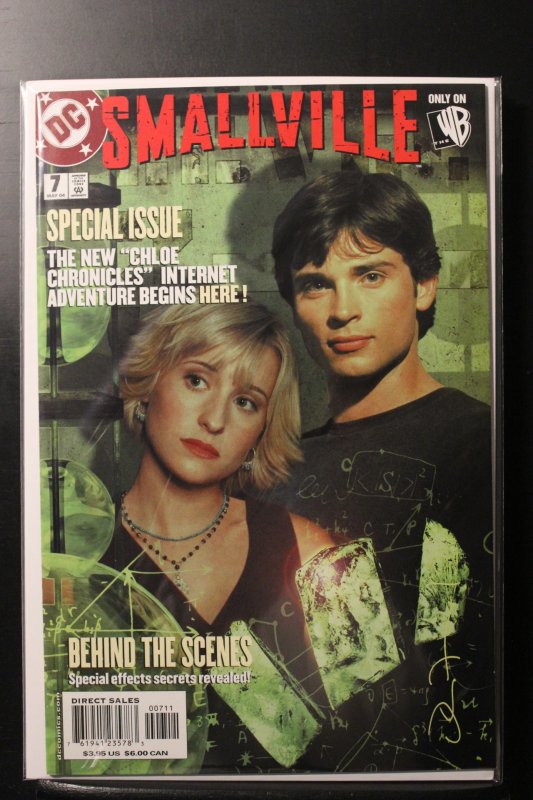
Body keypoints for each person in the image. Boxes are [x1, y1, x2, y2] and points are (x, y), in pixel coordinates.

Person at [268, 170, 495, 772]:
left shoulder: (486, 445)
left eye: (371, 276)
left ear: (423, 285)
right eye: (316, 285)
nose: (343, 311)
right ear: (293, 303)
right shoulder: (270, 473)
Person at [101, 299, 335, 773]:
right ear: (147, 385)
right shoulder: (76, 547)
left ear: (260, 432)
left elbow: (382, 736)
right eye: (197, 380)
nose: (214, 420)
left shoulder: (310, 551)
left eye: (246, 402)